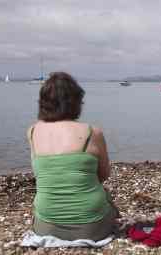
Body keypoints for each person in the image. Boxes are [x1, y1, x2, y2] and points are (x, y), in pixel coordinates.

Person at [27, 72, 118, 241]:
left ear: (43, 103)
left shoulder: (33, 131)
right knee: (105, 197)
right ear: (76, 102)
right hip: (92, 228)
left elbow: (39, 174)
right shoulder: (92, 132)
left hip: (45, 226)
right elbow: (104, 175)